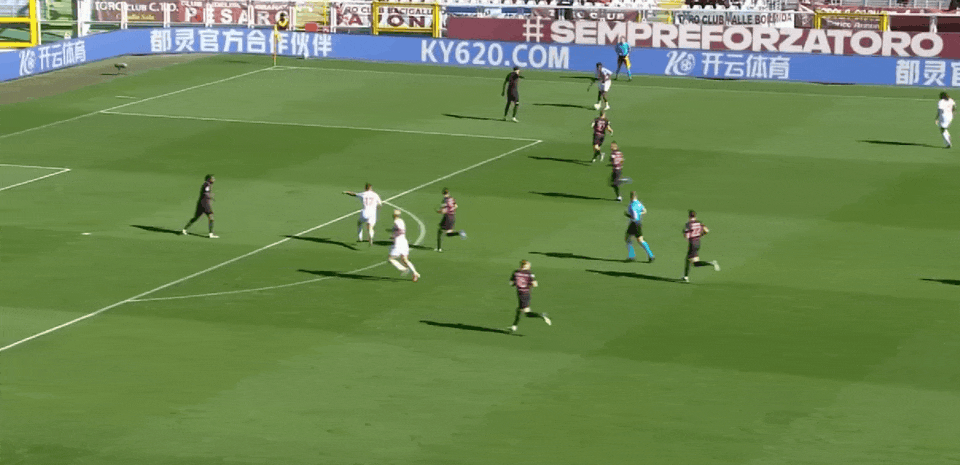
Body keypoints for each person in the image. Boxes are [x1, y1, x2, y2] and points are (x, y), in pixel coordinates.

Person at [508, 260, 551, 332]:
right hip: (526, 294)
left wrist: (517, 284)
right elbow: (535, 284)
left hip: (520, 293)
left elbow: (511, 283)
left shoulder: (516, 272)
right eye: (528, 265)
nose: (530, 266)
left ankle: (541, 315)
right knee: (520, 310)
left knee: (526, 313)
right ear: (525, 265)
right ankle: (514, 326)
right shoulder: (529, 273)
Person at [681, 210, 719, 282]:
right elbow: (706, 230)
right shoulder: (699, 223)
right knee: (688, 259)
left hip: (692, 244)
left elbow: (686, 235)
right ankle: (685, 277)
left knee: (695, 263)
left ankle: (711, 263)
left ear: (689, 216)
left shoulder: (688, 224)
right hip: (698, 242)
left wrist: (685, 234)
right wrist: (700, 235)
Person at [387, 209, 420, 282]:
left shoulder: (396, 222)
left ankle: (403, 269)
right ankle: (415, 273)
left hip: (398, 243)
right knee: (405, 259)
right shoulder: (401, 221)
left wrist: (394, 235)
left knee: (391, 259)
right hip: (404, 242)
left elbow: (400, 230)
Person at [182, 174, 218, 238]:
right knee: (211, 217)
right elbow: (205, 193)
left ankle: (184, 230)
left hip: (200, 203)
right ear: (209, 179)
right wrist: (210, 197)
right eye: (212, 178)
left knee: (196, 217)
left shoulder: (206, 184)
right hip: (205, 203)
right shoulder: (207, 185)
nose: (214, 179)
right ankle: (211, 234)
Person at [624, 191, 654, 262]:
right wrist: (640, 213)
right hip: (638, 223)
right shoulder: (639, 203)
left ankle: (632, 256)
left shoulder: (632, 205)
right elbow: (645, 211)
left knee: (629, 239)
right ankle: (651, 255)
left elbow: (634, 217)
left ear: (631, 197)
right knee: (638, 239)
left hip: (634, 223)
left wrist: (627, 215)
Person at [436, 188, 467, 252]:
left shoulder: (445, 200)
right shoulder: (452, 199)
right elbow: (456, 206)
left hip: (447, 217)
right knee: (448, 233)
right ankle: (459, 233)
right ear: (448, 193)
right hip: (452, 216)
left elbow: (443, 211)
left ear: (443, 193)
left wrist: (438, 211)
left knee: (440, 231)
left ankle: (439, 248)